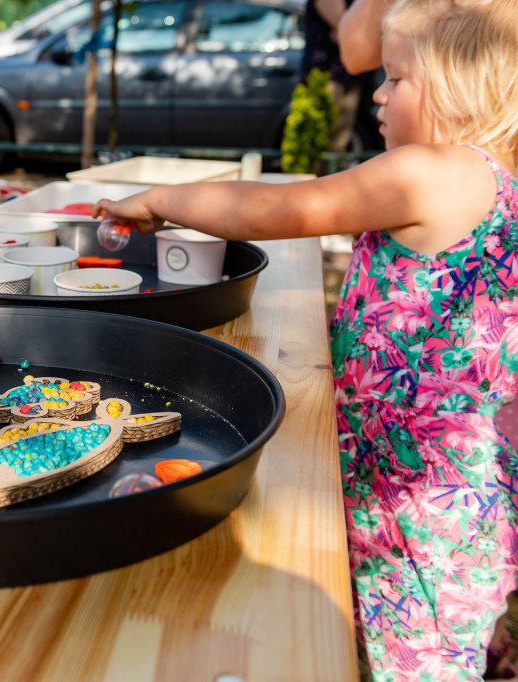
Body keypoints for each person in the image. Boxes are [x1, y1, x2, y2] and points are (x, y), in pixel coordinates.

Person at [95, 1, 518, 678]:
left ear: (455, 85)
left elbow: (280, 208)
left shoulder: (430, 174)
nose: (376, 93)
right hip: (454, 477)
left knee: (416, 650)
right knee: (443, 617)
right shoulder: (498, 180)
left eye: (397, 78)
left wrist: (160, 201)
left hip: (421, 492)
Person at [302, 0, 374, 152]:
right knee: (320, 137)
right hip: (326, 72)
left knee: (340, 140)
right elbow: (345, 26)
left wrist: (351, 32)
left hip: (352, 72)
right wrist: (352, 32)